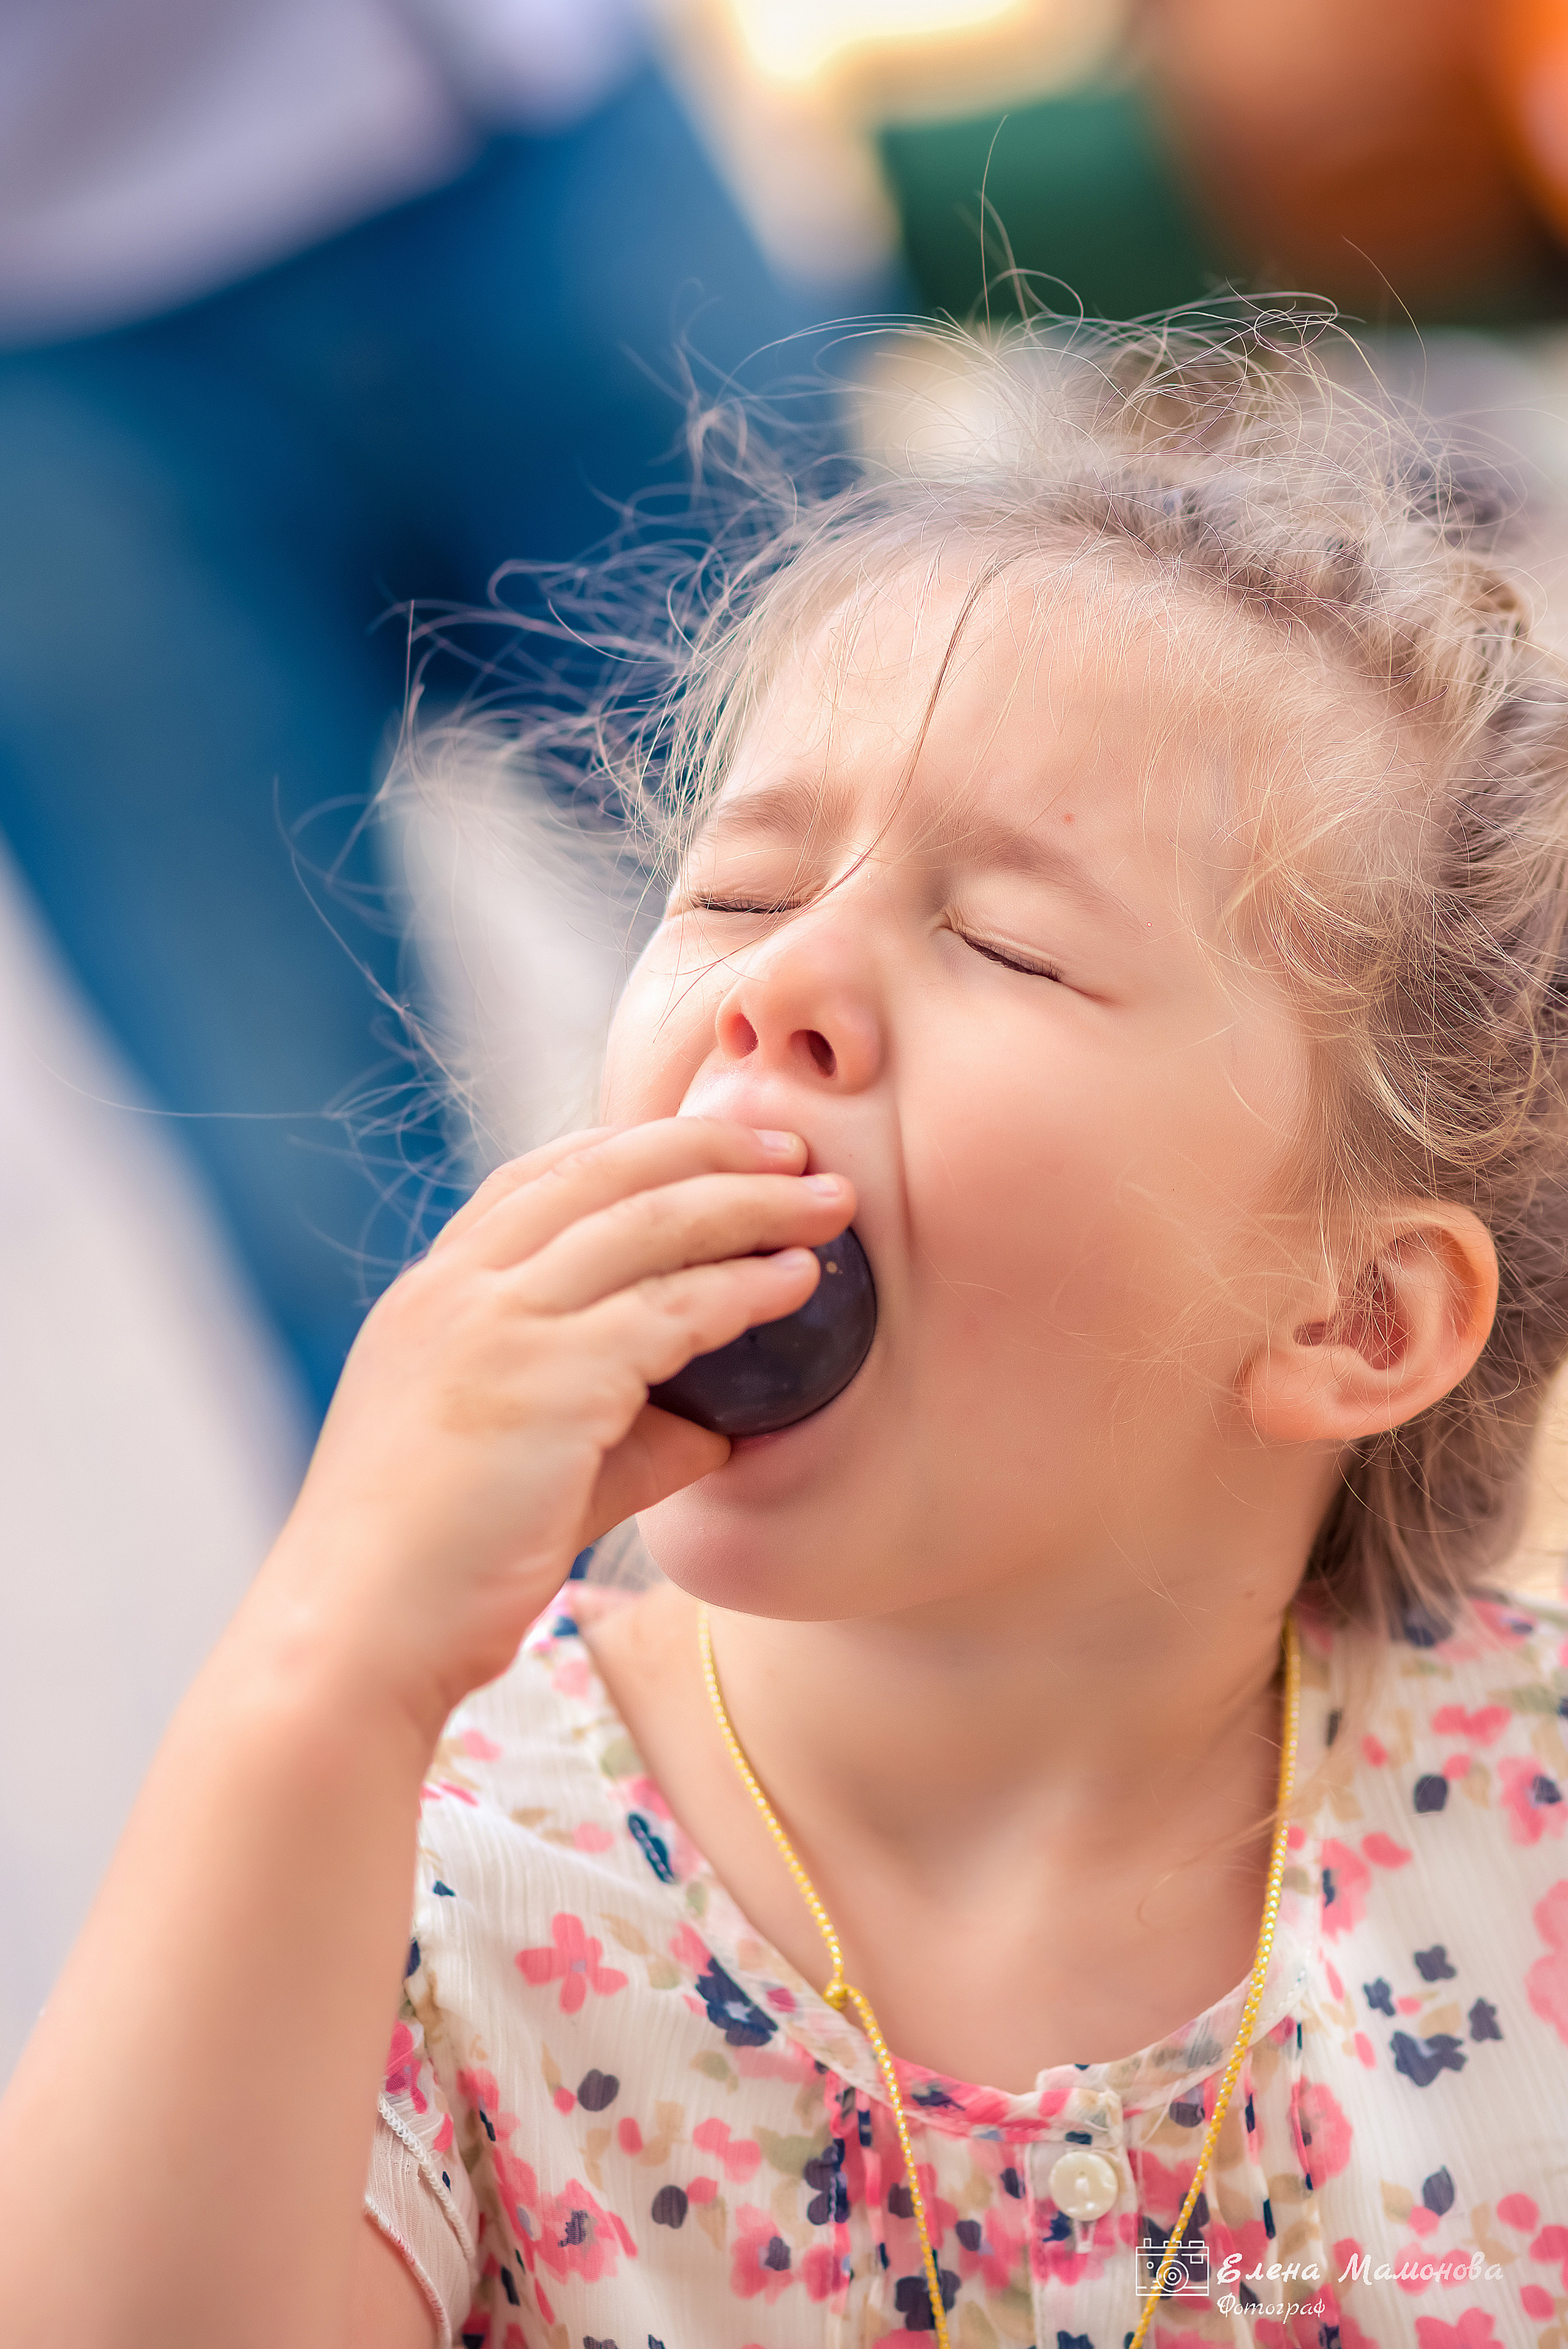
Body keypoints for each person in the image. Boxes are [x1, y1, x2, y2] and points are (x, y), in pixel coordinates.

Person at [3, 319, 1566, 2349]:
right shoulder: (419, 1873)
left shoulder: (1520, 1818)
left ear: (1354, 1308)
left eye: (1004, 936)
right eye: (734, 895)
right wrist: (327, 1662)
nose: (781, 984)